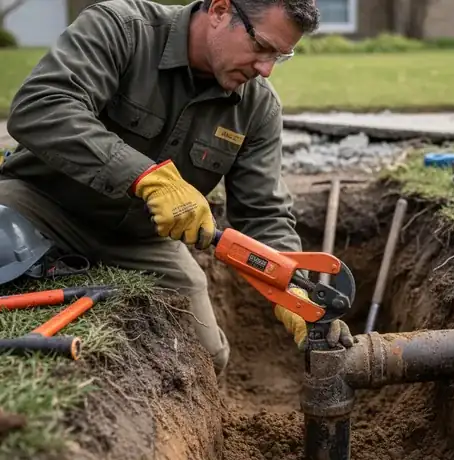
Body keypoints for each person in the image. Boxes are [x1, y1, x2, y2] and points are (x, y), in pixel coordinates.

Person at [0, 0, 354, 377]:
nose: (265, 69)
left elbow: (263, 212)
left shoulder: (257, 109)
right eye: (262, 47)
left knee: (205, 359)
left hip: (141, 240)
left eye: (280, 57)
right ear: (220, 10)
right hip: (40, 203)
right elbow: (43, 106)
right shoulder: (121, 29)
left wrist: (292, 286)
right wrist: (143, 175)